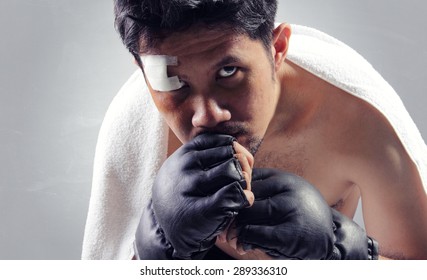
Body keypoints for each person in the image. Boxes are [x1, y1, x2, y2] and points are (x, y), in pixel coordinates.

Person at [81, 0, 427, 260]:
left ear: (277, 49)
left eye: (229, 72)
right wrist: (152, 249)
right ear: (143, 73)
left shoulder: (356, 118)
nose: (206, 116)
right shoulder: (132, 132)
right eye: (173, 82)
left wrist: (344, 253)